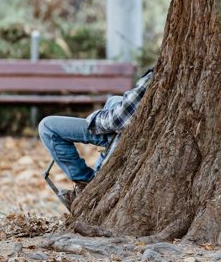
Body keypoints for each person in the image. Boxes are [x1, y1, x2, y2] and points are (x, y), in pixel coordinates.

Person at [38, 68, 153, 204]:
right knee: (113, 100)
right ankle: (88, 182)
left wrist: (93, 118)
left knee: (47, 127)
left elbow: (117, 120)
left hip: (123, 139)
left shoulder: (156, 74)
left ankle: (87, 184)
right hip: (130, 138)